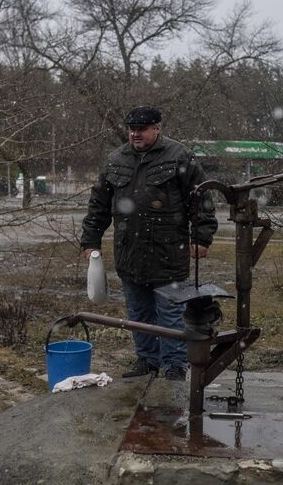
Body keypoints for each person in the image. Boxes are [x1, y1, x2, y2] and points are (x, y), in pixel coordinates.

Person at [80, 106, 217, 381]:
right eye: (132, 129)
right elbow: (98, 205)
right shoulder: (116, 159)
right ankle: (147, 361)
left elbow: (201, 200)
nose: (135, 134)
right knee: (138, 314)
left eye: (142, 129)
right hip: (129, 251)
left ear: (157, 128)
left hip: (169, 251)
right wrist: (91, 241)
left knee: (171, 314)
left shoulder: (179, 156)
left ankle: (175, 364)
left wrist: (201, 237)